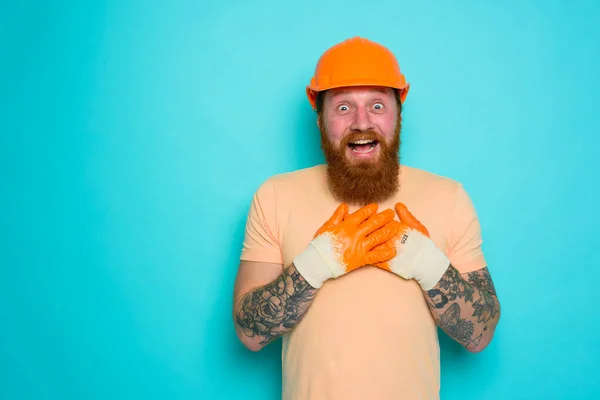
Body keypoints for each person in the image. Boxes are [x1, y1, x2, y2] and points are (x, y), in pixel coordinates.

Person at [232, 36, 500, 400]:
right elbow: (249, 332)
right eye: (343, 108)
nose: (362, 122)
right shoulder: (276, 195)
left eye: (377, 105)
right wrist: (318, 262)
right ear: (320, 118)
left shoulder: (448, 197)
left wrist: (428, 263)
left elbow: (480, 334)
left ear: (398, 114)